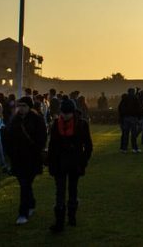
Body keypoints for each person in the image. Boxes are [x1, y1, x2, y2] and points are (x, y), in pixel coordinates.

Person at [48, 98, 93, 233]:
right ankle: (60, 222)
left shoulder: (82, 124)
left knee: (72, 190)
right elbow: (52, 146)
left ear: (73, 112)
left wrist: (83, 160)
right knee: (60, 193)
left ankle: (71, 216)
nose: (65, 116)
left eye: (67, 113)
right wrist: (51, 162)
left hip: (74, 162)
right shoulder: (57, 124)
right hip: (60, 163)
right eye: (63, 113)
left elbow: (88, 146)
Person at [5, 96, 47, 225]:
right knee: (25, 184)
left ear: (29, 107)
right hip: (18, 157)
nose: (21, 108)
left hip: (31, 157)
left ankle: (23, 213)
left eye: (24, 106)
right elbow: (9, 137)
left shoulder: (37, 119)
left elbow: (42, 137)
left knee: (25, 184)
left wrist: (36, 150)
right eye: (20, 105)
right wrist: (10, 153)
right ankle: (31, 203)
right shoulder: (14, 120)